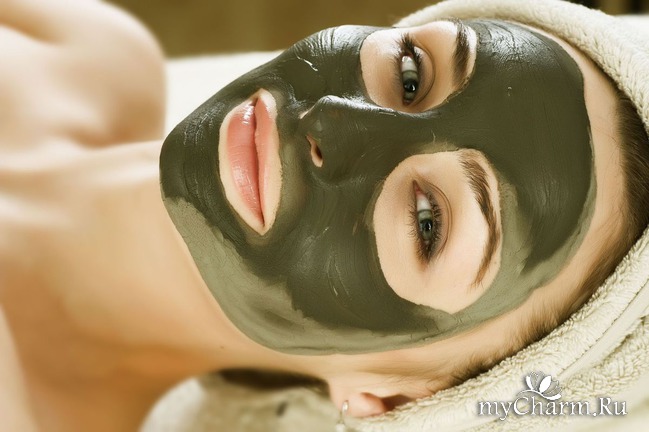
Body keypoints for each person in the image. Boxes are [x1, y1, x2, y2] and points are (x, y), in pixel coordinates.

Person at [1, 0, 648, 431]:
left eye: (427, 221)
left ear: (389, 398)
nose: (332, 121)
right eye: (411, 75)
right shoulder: (86, 47)